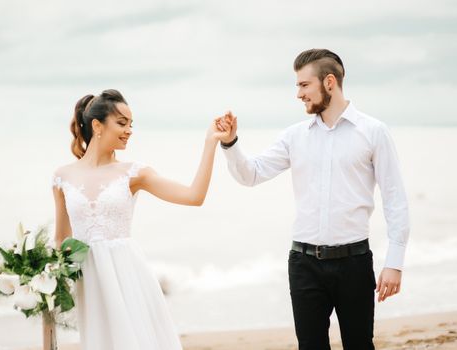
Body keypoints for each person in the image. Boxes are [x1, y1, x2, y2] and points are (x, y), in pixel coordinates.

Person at [217, 49, 410, 350]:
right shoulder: (295, 136)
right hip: (304, 264)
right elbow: (251, 175)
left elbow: (395, 198)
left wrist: (395, 262)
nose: (298, 94)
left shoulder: (374, 132)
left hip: (355, 263)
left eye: (304, 85)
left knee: (360, 345)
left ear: (329, 82)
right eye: (297, 86)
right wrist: (230, 143)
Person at [51, 89, 231, 350]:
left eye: (131, 125)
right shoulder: (62, 177)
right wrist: (47, 286)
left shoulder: (134, 173)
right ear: (97, 125)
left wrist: (210, 142)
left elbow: (194, 196)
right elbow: (61, 241)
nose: (129, 130)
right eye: (122, 123)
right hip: (89, 281)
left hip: (128, 276)